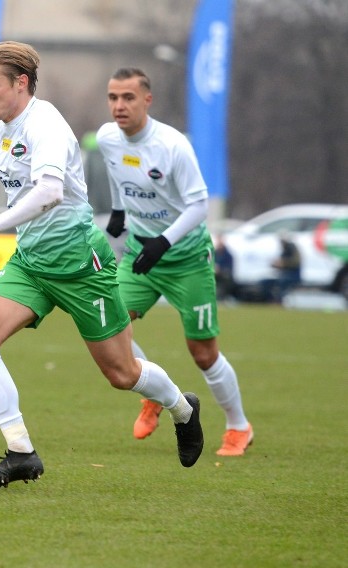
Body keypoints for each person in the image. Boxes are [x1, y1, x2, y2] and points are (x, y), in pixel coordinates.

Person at [0, 42, 204, 489]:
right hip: (32, 265)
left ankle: (182, 408)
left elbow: (49, 193)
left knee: (122, 374)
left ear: (20, 83)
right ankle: (21, 451)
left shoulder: (46, 125)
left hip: (82, 266)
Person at [97, 67, 253, 456]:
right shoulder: (106, 137)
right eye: (113, 97)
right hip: (139, 253)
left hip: (185, 258)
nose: (119, 105)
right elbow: (120, 172)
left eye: (128, 97)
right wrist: (119, 209)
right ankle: (151, 392)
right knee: (112, 330)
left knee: (203, 352)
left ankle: (238, 427)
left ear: (147, 100)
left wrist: (164, 242)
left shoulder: (172, 145)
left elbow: (199, 205)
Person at [262, 233, 301, 302]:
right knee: (265, 282)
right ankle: (270, 300)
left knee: (282, 283)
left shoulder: (292, 248)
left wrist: (283, 264)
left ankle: (278, 301)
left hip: (293, 276)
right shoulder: (284, 250)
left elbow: (295, 262)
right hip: (283, 275)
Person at [213, 234, 236, 301]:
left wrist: (220, 270)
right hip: (213, 274)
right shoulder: (214, 253)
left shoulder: (228, 255)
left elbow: (229, 268)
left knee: (225, 279)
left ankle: (222, 297)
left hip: (223, 275)